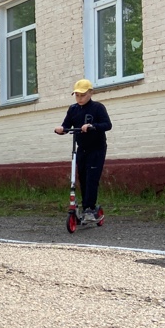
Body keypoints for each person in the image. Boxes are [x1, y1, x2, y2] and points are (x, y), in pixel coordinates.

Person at [54, 78, 112, 222]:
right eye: (77, 95)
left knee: (92, 178)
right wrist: (61, 129)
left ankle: (89, 209)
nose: (79, 98)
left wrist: (92, 126)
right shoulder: (73, 109)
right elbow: (66, 125)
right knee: (82, 177)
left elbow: (107, 125)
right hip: (81, 149)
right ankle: (86, 207)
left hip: (97, 148)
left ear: (91, 93)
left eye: (83, 95)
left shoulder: (98, 107)